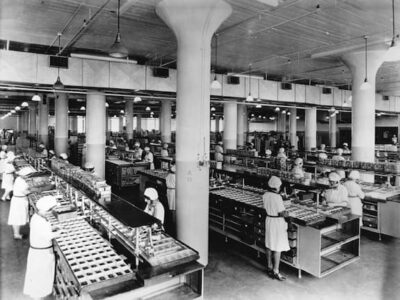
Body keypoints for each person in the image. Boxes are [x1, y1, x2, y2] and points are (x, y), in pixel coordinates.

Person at [23, 195, 62, 299]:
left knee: (41, 275)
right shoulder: (39, 221)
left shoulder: (38, 216)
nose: (53, 211)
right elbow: (48, 236)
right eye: (52, 209)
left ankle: (41, 294)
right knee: (41, 276)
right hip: (41, 254)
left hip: (40, 252)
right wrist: (60, 232)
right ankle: (38, 296)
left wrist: (54, 227)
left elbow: (45, 229)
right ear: (47, 209)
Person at [263, 176, 290, 281]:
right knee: (277, 247)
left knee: (269, 244)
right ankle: (276, 271)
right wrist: (289, 213)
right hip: (277, 222)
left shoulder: (265, 195)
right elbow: (282, 213)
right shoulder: (277, 197)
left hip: (269, 220)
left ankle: (269, 266)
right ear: (278, 187)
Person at [7, 167, 35, 239]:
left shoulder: (20, 179)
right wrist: (35, 190)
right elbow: (25, 192)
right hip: (19, 201)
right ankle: (16, 235)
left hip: (19, 199)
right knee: (16, 218)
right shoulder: (21, 181)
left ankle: (16, 233)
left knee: (18, 217)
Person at [165, 164, 176, 234]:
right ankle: (174, 222)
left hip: (169, 191)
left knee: (170, 207)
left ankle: (171, 221)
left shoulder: (168, 175)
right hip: (174, 192)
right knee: (174, 208)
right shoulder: (175, 176)